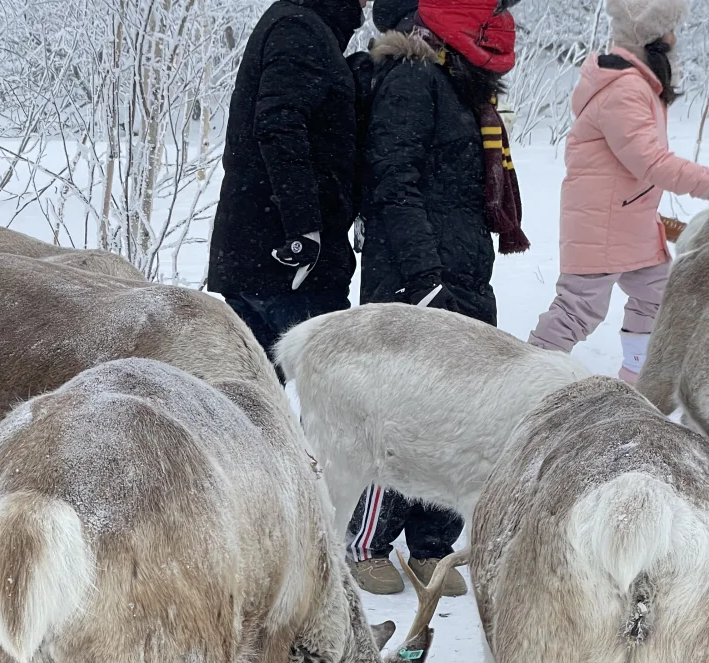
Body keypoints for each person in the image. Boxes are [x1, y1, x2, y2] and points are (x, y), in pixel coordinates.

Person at [346, 0, 527, 597]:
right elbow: (392, 182)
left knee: (461, 419)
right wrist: (426, 280)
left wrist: (464, 280)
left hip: (465, 276)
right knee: (403, 418)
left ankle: (431, 546)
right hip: (415, 281)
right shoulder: (413, 78)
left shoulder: (462, 88)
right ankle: (367, 541)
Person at [528, 0, 709, 380]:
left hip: (631, 221)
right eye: (669, 30)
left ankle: (637, 380)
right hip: (603, 223)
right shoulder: (625, 88)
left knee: (657, 298)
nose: (675, 39)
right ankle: (523, 378)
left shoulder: (637, 83)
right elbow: (651, 162)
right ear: (650, 37)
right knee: (578, 310)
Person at [207, 0, 365, 360]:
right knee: (323, 382)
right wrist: (303, 229)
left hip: (269, 259)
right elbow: (279, 124)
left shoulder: (304, 25)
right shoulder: (299, 28)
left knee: (257, 387)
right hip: (287, 265)